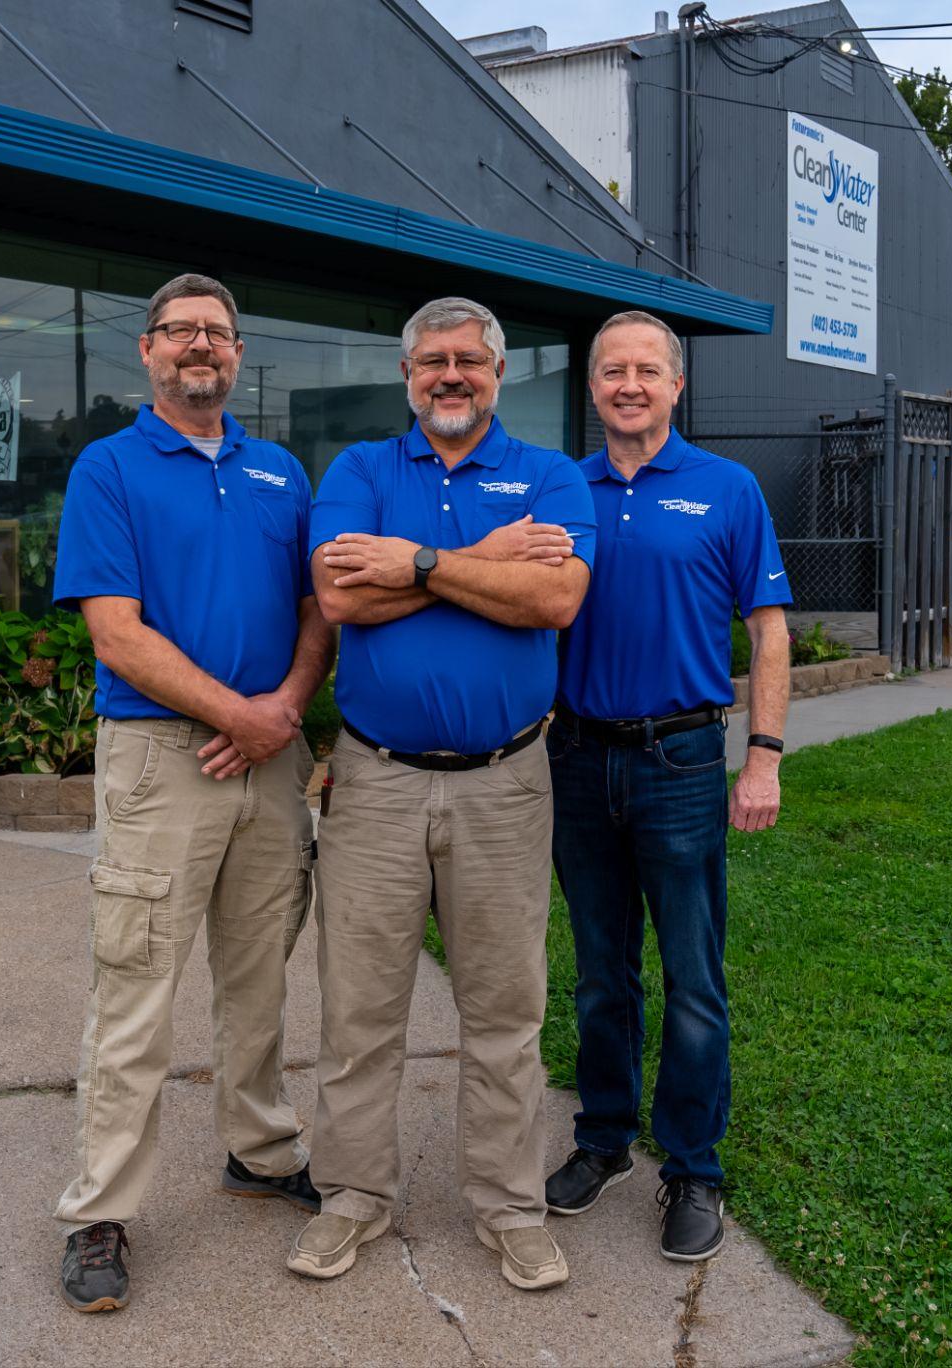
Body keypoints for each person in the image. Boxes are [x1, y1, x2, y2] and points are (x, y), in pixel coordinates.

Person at [288, 297, 594, 1291]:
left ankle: (507, 1207)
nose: (449, 375)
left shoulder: (549, 476)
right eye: (431, 361)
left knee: (505, 1012)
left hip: (506, 784)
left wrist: (414, 561)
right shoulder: (360, 471)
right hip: (374, 783)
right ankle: (352, 1198)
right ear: (407, 376)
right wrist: (488, 560)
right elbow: (339, 597)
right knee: (357, 1010)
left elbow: (553, 598)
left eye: (468, 359)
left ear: (498, 372)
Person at [48, 273, 334, 1313]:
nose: (198, 347)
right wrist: (238, 715)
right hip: (162, 759)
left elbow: (319, 609)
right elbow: (115, 631)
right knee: (136, 990)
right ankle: (99, 1210)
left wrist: (285, 708)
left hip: (269, 755)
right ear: (148, 352)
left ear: (238, 355)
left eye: (215, 333)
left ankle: (258, 1150)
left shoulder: (279, 476)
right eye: (180, 333)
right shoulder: (108, 468)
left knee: (258, 978)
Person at [541, 310, 791, 1262]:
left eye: (648, 370)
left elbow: (768, 630)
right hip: (576, 758)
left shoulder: (727, 490)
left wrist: (762, 755)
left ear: (677, 386)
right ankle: (604, 1141)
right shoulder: (562, 488)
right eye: (613, 371)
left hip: (683, 761)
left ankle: (693, 1165)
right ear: (593, 387)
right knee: (602, 974)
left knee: (693, 979)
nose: (630, 385)